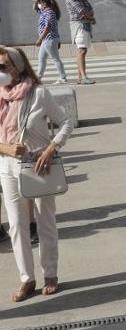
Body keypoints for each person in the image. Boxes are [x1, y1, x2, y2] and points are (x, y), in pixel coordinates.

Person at [0, 46, 73, 301]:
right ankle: (26, 279)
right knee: (17, 225)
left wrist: (52, 148)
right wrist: (6, 148)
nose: (0, 73)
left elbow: (65, 122)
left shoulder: (39, 94)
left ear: (17, 68)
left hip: (40, 164)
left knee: (45, 221)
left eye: (3, 67)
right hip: (7, 167)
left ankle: (50, 273)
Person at [64, 0, 95, 84]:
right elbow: (82, 11)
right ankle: (84, 77)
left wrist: (89, 15)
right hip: (78, 25)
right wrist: (90, 16)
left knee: (83, 50)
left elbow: (90, 9)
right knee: (81, 50)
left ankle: (80, 77)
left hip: (85, 25)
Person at [33, 0, 67, 83]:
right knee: (41, 58)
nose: (39, 5)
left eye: (40, 3)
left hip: (49, 39)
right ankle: (38, 78)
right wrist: (36, 2)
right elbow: (35, 9)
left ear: (44, 3)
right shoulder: (44, 12)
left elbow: (47, 27)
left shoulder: (50, 13)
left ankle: (63, 77)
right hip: (47, 40)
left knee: (55, 58)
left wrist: (40, 39)